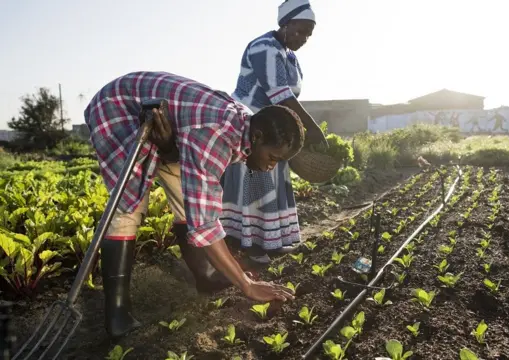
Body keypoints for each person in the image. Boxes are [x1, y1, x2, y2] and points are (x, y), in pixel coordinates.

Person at [84, 71, 298, 338]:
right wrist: (246, 285)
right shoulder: (215, 136)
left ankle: (206, 276)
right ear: (256, 137)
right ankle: (117, 314)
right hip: (118, 109)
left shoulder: (246, 123)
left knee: (187, 201)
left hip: (170, 130)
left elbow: (199, 204)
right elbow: (206, 223)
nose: (271, 167)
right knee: (128, 207)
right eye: (272, 157)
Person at [220, 0, 327, 265]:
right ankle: (251, 246)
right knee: (256, 184)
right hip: (251, 128)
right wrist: (310, 129)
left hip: (274, 129)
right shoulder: (264, 47)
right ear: (285, 24)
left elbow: (289, 97)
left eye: (308, 35)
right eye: (299, 31)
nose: (303, 38)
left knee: (272, 182)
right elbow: (281, 94)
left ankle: (272, 242)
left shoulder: (289, 55)